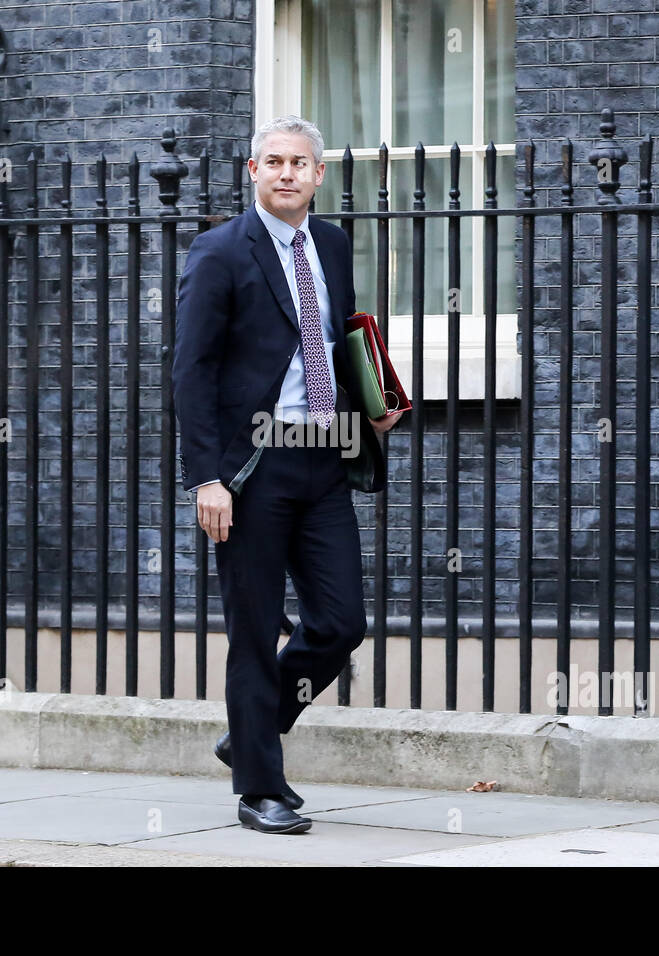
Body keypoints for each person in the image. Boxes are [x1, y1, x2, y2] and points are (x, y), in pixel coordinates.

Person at [172, 115, 404, 834]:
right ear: (252, 171)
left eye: (299, 163)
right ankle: (260, 789)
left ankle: (254, 731)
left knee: (341, 622)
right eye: (272, 161)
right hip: (251, 468)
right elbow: (192, 371)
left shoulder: (331, 244)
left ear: (319, 175)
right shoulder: (219, 252)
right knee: (252, 629)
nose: (286, 174)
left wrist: (371, 405)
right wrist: (205, 479)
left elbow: (332, 340)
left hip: (324, 456)